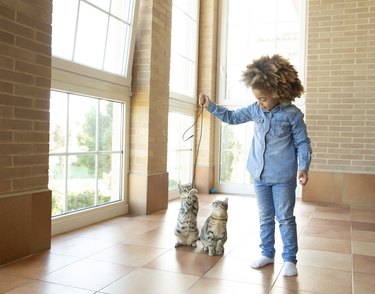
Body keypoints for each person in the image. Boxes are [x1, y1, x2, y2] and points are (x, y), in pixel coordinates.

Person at [199, 54, 312, 277]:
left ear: (278, 92)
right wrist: (210, 106)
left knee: (285, 217)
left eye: (263, 98)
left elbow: (302, 142)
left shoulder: (292, 115)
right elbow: (231, 117)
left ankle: (290, 259)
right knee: (265, 216)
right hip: (259, 175)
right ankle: (267, 253)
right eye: (257, 98)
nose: (260, 102)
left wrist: (304, 166)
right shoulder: (256, 109)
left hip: (283, 177)